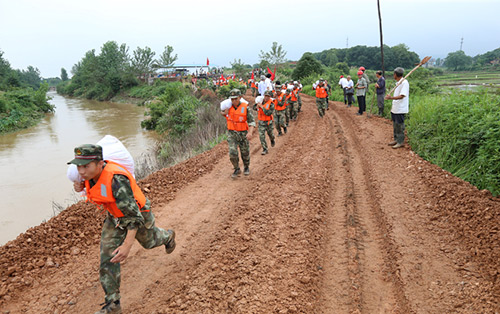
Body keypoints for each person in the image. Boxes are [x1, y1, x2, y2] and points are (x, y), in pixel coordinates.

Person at [68, 144, 175, 314]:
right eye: (78, 166)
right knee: (108, 255)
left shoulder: (117, 180)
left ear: (100, 163)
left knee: (149, 242)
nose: (81, 171)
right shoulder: (90, 175)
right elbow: (97, 190)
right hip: (115, 218)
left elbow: (134, 218)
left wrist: (127, 245)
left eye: (85, 166)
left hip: (136, 216)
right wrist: (80, 187)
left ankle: (167, 236)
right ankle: (113, 304)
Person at [221, 89, 256, 177]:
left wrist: (250, 133)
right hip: (232, 133)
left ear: (240, 97)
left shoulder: (245, 107)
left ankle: (246, 167)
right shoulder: (228, 107)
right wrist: (224, 113)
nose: (234, 101)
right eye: (232, 99)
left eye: (235, 99)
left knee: (245, 152)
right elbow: (223, 113)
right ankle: (236, 169)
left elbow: (252, 122)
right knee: (232, 152)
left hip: (243, 133)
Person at [385, 67, 409, 149]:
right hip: (395, 108)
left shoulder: (404, 83)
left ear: (395, 74)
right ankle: (396, 139)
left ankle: (400, 141)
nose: (393, 75)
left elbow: (402, 96)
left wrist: (391, 98)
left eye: (393, 74)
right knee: (395, 125)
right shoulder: (398, 82)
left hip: (400, 108)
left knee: (399, 125)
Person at [254, 90, 275, 155]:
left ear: (270, 97)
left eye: (268, 96)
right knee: (261, 136)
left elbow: (268, 113)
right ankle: (265, 149)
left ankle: (272, 139)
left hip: (268, 122)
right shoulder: (260, 101)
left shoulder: (271, 104)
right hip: (261, 122)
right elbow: (254, 107)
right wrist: (256, 107)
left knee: (270, 134)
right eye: (265, 96)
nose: (266, 97)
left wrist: (262, 107)